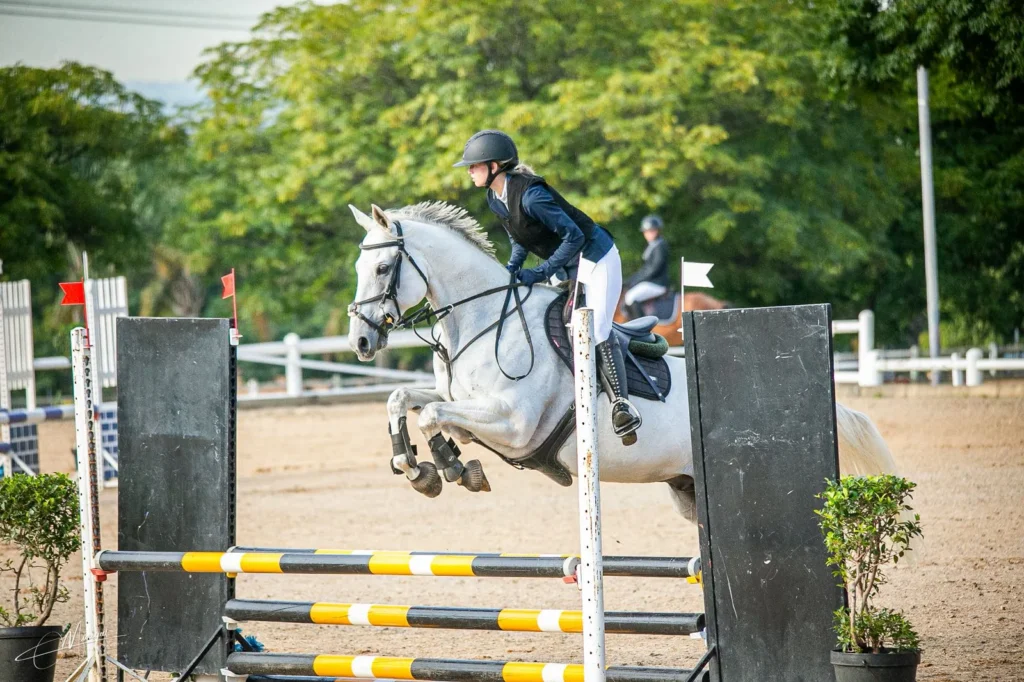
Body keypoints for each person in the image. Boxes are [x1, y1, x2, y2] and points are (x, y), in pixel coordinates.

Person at [454, 129, 641, 442]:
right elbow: (519, 237)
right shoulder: (495, 198)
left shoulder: (532, 195)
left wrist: (541, 272)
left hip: (596, 257)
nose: (470, 171)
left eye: (475, 165)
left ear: (495, 166)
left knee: (596, 331)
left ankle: (622, 405)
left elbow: (575, 236)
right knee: (554, 325)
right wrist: (511, 268)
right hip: (566, 263)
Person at [622, 215, 670, 320]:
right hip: (650, 282)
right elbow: (645, 269)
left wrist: (637, 280)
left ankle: (642, 327)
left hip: (657, 283)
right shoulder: (652, 246)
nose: (648, 234)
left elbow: (654, 269)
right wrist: (631, 280)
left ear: (657, 231)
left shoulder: (660, 246)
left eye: (651, 231)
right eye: (646, 231)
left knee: (631, 297)